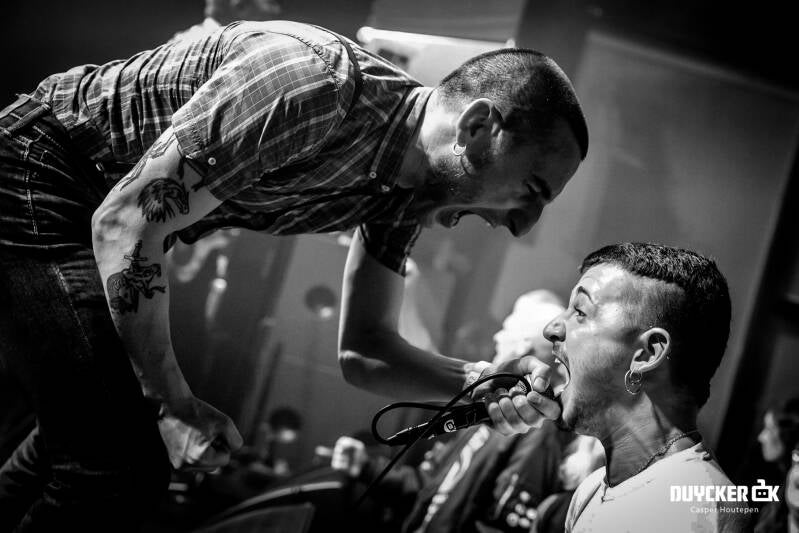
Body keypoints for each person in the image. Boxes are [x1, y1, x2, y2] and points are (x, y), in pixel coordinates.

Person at [0, 19, 586, 530]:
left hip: (100, 221)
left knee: (80, 441)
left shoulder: (402, 195)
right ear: (478, 127)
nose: (522, 226)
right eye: (532, 191)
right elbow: (125, 223)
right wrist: (173, 404)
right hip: (39, 171)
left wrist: (480, 382)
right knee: (120, 465)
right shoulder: (317, 86)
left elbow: (366, 349)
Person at [541, 242, 753, 532]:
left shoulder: (698, 508)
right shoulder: (591, 489)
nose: (552, 328)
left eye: (580, 311)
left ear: (647, 353)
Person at [331, 290, 571, 533]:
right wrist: (365, 467)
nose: (497, 336)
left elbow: (500, 526)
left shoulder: (536, 429)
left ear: (524, 345)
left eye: (507, 328)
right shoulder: (488, 414)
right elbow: (430, 489)